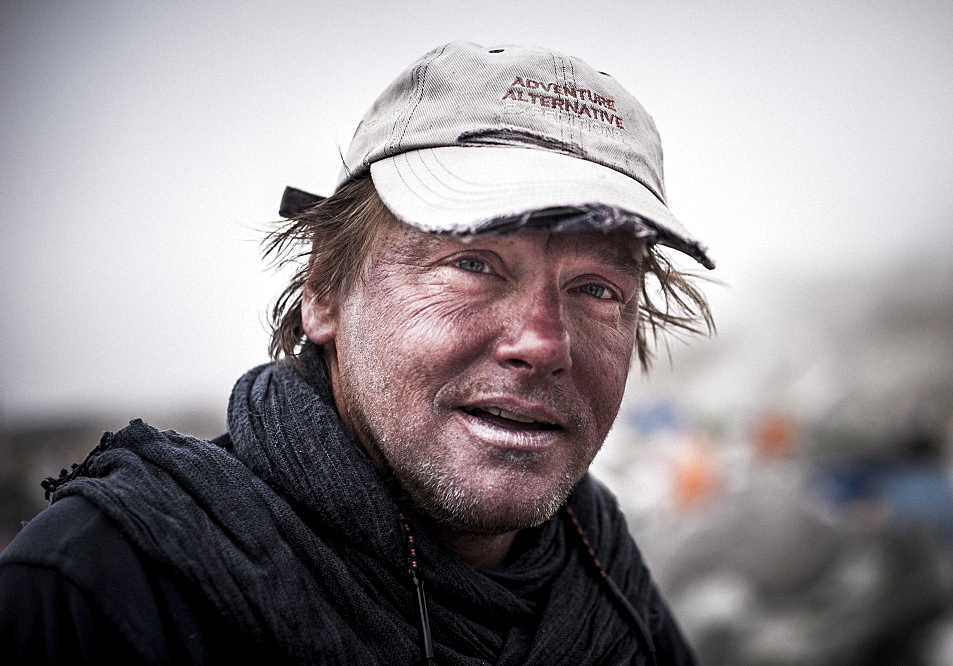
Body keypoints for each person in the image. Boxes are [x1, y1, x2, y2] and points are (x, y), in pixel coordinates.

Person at [0, 41, 713, 664]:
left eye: (596, 287)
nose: (543, 343)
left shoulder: (602, 565)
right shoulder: (104, 589)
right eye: (472, 263)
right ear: (324, 292)